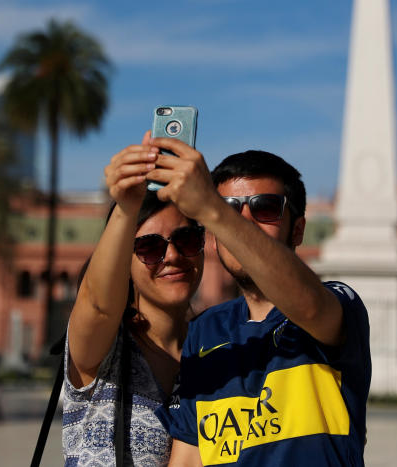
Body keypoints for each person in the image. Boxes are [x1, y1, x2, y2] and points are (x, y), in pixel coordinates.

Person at [150, 143, 371, 466]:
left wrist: (213, 209)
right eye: (229, 209)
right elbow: (188, 457)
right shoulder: (204, 330)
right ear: (213, 235)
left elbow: (309, 307)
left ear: (297, 230)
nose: (244, 223)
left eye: (265, 208)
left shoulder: (336, 303)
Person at [63, 136, 206, 466]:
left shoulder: (213, 354)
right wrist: (126, 206)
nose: (171, 256)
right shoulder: (106, 349)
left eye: (186, 239)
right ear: (122, 264)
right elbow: (98, 307)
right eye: (149, 247)